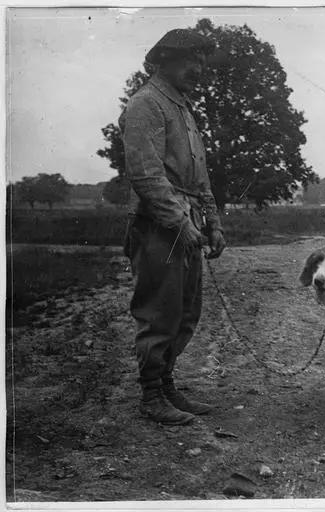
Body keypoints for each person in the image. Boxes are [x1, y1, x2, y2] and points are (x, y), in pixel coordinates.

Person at [120, 28, 227, 425]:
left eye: (201, 61)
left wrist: (212, 223)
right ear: (163, 59)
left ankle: (166, 386)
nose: (198, 69)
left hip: (188, 222)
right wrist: (179, 222)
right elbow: (146, 175)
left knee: (186, 311)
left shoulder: (183, 108)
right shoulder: (146, 104)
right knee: (159, 311)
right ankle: (151, 396)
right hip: (158, 226)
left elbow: (200, 178)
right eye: (190, 60)